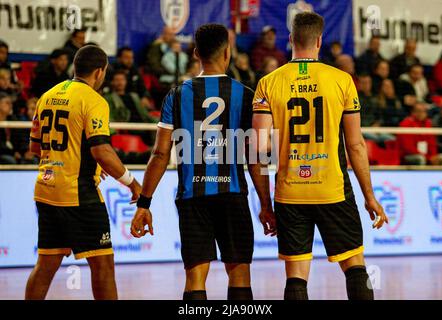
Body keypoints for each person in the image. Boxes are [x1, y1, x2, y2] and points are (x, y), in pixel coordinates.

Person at [130, 24, 271, 301]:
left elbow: (159, 155)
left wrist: (144, 203)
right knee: (240, 273)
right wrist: (266, 204)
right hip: (232, 195)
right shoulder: (246, 95)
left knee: (195, 277)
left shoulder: (177, 94)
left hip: (192, 197)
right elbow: (256, 156)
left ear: (195, 53)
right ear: (228, 53)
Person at [252, 12, 387, 300]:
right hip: (333, 190)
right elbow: (356, 145)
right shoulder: (342, 80)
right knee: (355, 269)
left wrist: (265, 204)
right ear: (319, 41)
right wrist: (369, 195)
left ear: (290, 40)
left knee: (296, 277)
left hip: (290, 193)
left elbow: (259, 150)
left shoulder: (268, 83)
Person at [25, 45, 142, 300]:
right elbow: (103, 151)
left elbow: (35, 147)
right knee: (103, 265)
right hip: (79, 194)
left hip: (46, 191)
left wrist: (70, 160)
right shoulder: (93, 100)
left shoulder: (47, 96)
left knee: (45, 266)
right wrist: (132, 183)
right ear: (100, 72)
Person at [0, 92, 16, 164]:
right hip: (3, 154)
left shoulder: (13, 120)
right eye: (7, 103)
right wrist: (13, 153)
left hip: (11, 153)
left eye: (11, 103)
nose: (10, 106)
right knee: (10, 160)